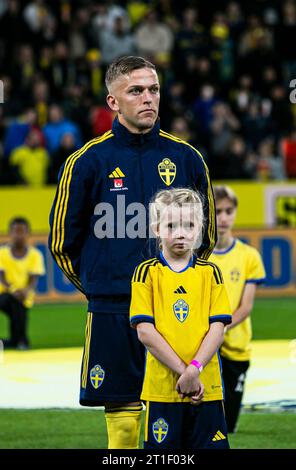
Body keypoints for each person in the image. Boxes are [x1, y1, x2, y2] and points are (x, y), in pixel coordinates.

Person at [48, 56, 216, 449]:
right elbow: (62, 243)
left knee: (179, 421)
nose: (148, 98)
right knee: (123, 426)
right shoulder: (86, 161)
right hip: (113, 310)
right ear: (113, 102)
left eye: (153, 89)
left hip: (176, 312)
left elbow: (205, 238)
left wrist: (181, 284)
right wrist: (98, 286)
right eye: (136, 91)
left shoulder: (187, 158)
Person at [130, 188, 231, 449]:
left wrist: (195, 370)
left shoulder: (211, 273)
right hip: (163, 390)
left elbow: (217, 330)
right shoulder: (146, 273)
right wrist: (184, 373)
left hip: (206, 387)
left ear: (199, 229)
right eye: (171, 225)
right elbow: (145, 332)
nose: (180, 233)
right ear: (156, 229)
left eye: (189, 225)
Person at [209, 185, 266, 433]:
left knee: (228, 425)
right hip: (204, 346)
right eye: (218, 211)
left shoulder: (249, 256)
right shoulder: (200, 255)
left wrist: (220, 327)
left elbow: (246, 307)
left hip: (236, 345)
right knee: (205, 418)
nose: (223, 217)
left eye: (228, 211)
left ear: (235, 213)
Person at [0, 217, 45, 350]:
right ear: (10, 233)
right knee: (13, 302)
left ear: (28, 233)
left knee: (18, 307)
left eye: (22, 231)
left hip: (24, 298)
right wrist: (14, 290)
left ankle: (15, 341)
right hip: (4, 295)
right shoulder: (2, 253)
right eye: (16, 231)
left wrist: (25, 291)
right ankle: (22, 341)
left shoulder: (35, 255)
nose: (19, 235)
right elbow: (2, 278)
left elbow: (33, 279)